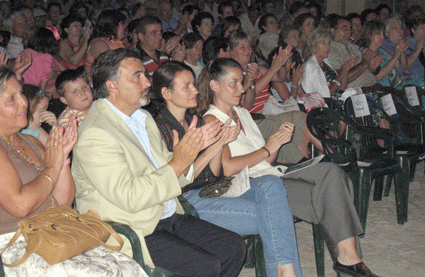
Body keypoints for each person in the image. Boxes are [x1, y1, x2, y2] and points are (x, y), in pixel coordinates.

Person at [197, 57, 380, 277]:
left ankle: (348, 259)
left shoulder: (242, 113)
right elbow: (227, 168)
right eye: (233, 83)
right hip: (250, 187)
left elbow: (266, 161)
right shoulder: (211, 119)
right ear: (214, 86)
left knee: (332, 173)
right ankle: (349, 263)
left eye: (242, 81)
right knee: (332, 194)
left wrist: (276, 142)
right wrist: (267, 149)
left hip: (270, 174)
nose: (241, 88)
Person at [71, 48, 247, 276]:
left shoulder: (141, 117)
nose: (147, 81)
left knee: (232, 247)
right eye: (137, 76)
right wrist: (178, 162)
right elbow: (130, 198)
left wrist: (195, 153)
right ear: (112, 85)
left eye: (145, 74)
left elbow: (174, 174)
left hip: (165, 214)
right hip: (133, 228)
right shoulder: (96, 133)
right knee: (204, 266)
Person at [152, 60, 302, 277]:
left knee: (272, 186)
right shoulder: (161, 129)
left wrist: (219, 144)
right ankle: (286, 273)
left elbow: (212, 175)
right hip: (186, 203)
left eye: (194, 84)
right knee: (275, 215)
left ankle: (285, 273)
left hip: (211, 191)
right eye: (187, 86)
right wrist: (215, 148)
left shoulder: (193, 120)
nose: (195, 89)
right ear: (167, 93)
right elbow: (177, 181)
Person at [0, 65, 147, 276]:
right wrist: (52, 166)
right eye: (11, 99)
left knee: (124, 265)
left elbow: (62, 202)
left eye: (21, 94)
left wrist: (63, 158)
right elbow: (20, 205)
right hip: (17, 242)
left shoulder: (31, 141)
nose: (24, 102)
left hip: (54, 230)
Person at [229, 30, 310, 163]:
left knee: (293, 124)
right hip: (252, 118)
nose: (247, 50)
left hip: (267, 113)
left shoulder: (257, 68)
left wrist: (282, 63)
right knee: (297, 119)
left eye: (249, 46)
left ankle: (301, 163)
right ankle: (304, 162)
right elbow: (247, 100)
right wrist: (273, 68)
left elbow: (280, 77)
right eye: (242, 47)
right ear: (232, 52)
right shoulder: (233, 72)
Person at [302, 29, 357, 100]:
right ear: (313, 45)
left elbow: (342, 89)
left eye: (329, 43)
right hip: (325, 106)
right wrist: (341, 74)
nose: (328, 47)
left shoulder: (326, 62)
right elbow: (325, 96)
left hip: (338, 101)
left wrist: (345, 70)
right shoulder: (310, 65)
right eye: (323, 43)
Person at [355, 20, 408, 88]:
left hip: (395, 85)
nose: (382, 37)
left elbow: (401, 66)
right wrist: (396, 56)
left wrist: (401, 51)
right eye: (378, 34)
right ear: (370, 34)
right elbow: (378, 77)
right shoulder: (365, 52)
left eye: (383, 34)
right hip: (382, 88)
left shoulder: (381, 50)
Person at [84, 10, 126, 83]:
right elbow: (111, 70)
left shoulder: (115, 42)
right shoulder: (99, 44)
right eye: (122, 23)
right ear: (114, 25)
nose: (125, 27)